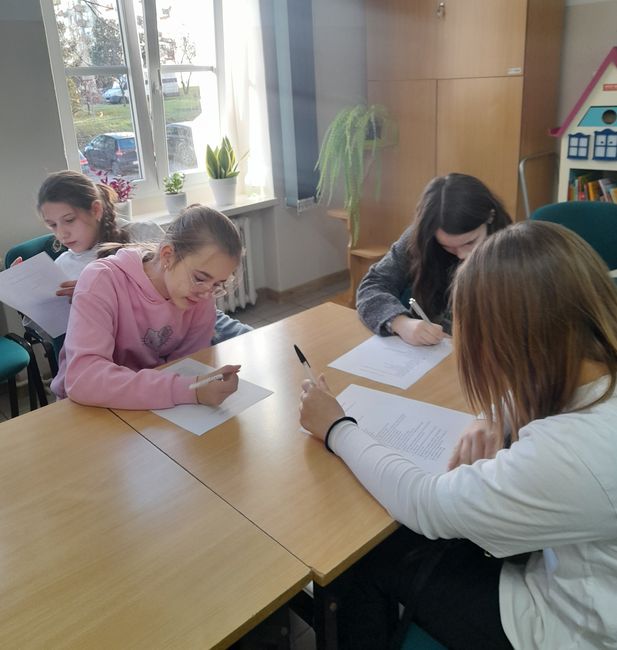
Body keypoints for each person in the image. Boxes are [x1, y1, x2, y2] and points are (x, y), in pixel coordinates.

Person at [300, 221, 617, 649]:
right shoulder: (593, 363)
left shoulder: (574, 452)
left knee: (368, 556)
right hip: (573, 562)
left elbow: (426, 502)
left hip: (570, 626)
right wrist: (495, 415)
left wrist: (337, 428)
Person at [16, 170, 250, 350]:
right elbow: (56, 336)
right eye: (52, 225)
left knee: (251, 340)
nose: (61, 233)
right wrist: (28, 298)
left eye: (69, 220)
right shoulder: (62, 268)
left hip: (185, 328)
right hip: (127, 352)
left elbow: (191, 297)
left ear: (95, 210)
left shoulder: (143, 233)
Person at [51, 203, 245, 410]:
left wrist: (197, 387)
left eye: (217, 285)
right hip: (83, 409)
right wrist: (190, 390)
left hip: (150, 403)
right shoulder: (101, 280)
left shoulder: (199, 295)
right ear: (167, 255)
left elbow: (186, 367)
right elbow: (84, 379)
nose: (206, 294)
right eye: (200, 278)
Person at [356, 173, 511, 346]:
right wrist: (400, 322)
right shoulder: (420, 240)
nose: (462, 255)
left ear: (490, 217)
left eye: (470, 242)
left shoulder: (514, 253)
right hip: (427, 352)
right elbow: (373, 285)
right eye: (447, 246)